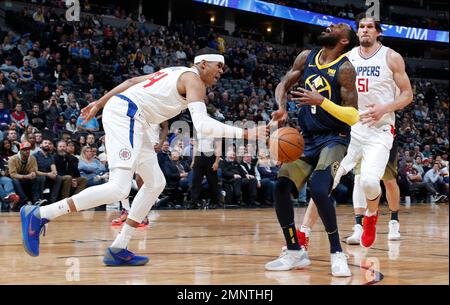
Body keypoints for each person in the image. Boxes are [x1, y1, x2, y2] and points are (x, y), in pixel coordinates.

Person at [20, 49, 265, 266]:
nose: (221, 71)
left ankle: (119, 247)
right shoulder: (193, 79)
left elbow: (131, 80)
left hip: (137, 118)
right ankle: (41, 215)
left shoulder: (175, 71)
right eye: (218, 65)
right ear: (202, 64)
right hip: (128, 114)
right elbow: (201, 126)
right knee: (119, 188)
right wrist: (247, 133)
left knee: (155, 183)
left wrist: (100, 102)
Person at [265, 23, 359, 277]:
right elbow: (283, 84)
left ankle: (337, 252)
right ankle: (295, 251)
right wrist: (281, 107)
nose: (330, 26)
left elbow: (353, 116)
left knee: (319, 189)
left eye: (338, 27)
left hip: (335, 138)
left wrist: (322, 101)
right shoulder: (306, 57)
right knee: (281, 185)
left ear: (344, 41)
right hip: (307, 137)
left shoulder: (345, 69)